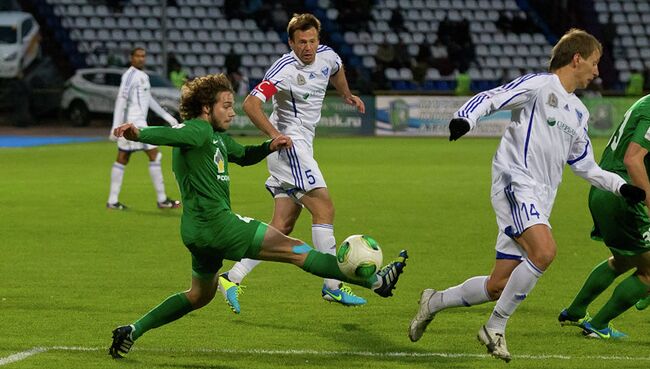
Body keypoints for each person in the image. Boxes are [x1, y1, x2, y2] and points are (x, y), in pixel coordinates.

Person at [108, 74, 408, 358]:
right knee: (296, 249)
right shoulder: (198, 130)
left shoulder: (216, 139)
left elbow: (243, 155)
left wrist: (269, 146)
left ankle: (132, 330)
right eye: (225, 106)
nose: (231, 112)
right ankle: (377, 283)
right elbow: (173, 134)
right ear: (205, 108)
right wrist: (139, 132)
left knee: (198, 296)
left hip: (195, 233)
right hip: (220, 225)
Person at [407, 29, 646, 362]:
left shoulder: (579, 112)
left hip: (540, 198)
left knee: (497, 286)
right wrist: (465, 118)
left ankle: (434, 301)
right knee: (545, 250)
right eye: (594, 63)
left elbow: (585, 166)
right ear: (576, 58)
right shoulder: (538, 86)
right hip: (515, 181)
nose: (597, 71)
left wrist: (621, 187)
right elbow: (493, 97)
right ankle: (495, 327)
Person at [216, 13, 368, 313]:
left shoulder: (327, 56)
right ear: (291, 43)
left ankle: (232, 277)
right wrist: (275, 135)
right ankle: (332, 286)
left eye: (312, 41)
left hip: (302, 144)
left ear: (318, 40)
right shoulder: (284, 69)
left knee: (282, 224)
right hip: (290, 145)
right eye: (301, 42)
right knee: (324, 208)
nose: (308, 48)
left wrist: (347, 94)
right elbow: (250, 104)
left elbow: (337, 69)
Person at [558, 94, 650, 339]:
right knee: (649, 271)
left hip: (603, 189)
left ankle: (576, 311)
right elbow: (633, 159)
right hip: (624, 194)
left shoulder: (644, 103)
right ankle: (598, 325)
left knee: (624, 260)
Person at [107, 47, 181, 210]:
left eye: (143, 56)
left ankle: (112, 201)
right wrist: (115, 126)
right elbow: (121, 100)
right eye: (138, 56)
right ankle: (161, 200)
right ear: (131, 57)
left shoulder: (143, 76)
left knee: (123, 158)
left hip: (140, 123)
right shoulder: (129, 76)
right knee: (154, 155)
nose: (141, 59)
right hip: (132, 124)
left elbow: (149, 100)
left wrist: (167, 116)